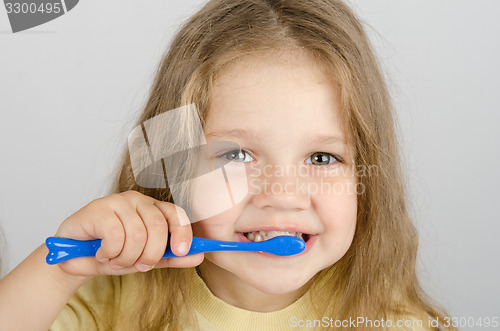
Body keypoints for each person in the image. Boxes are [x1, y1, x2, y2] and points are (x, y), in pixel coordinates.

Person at [0, 0, 455, 330]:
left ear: (367, 182)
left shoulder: (395, 324)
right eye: (236, 154)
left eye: (322, 157)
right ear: (174, 168)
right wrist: (59, 266)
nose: (282, 193)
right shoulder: (111, 302)